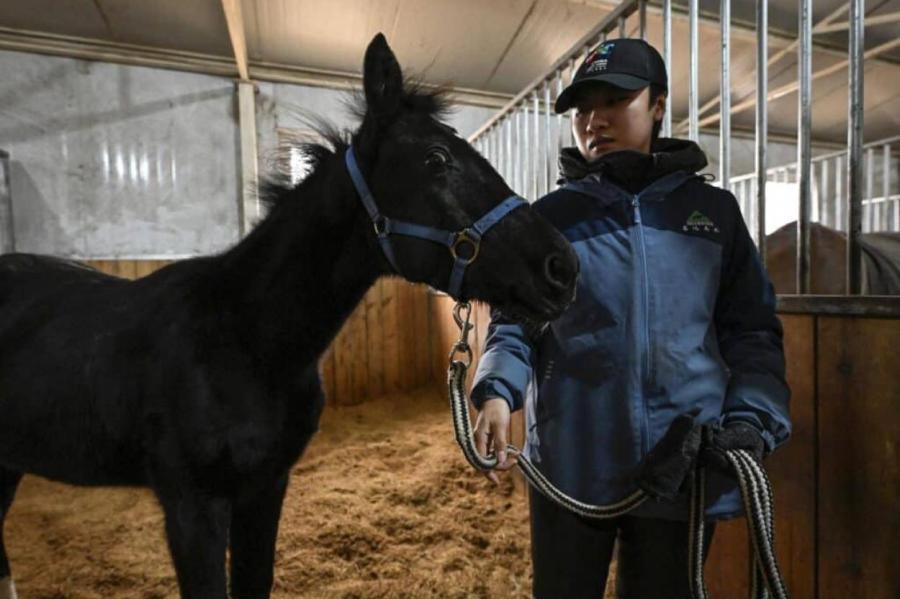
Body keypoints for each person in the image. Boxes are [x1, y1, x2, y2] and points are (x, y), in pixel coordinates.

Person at [470, 38, 791, 598]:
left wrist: (752, 417)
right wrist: (498, 389)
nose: (594, 120)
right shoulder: (549, 219)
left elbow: (753, 330)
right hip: (572, 464)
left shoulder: (714, 216)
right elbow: (515, 323)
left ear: (658, 105)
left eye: (615, 100)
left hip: (680, 465)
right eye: (582, 109)